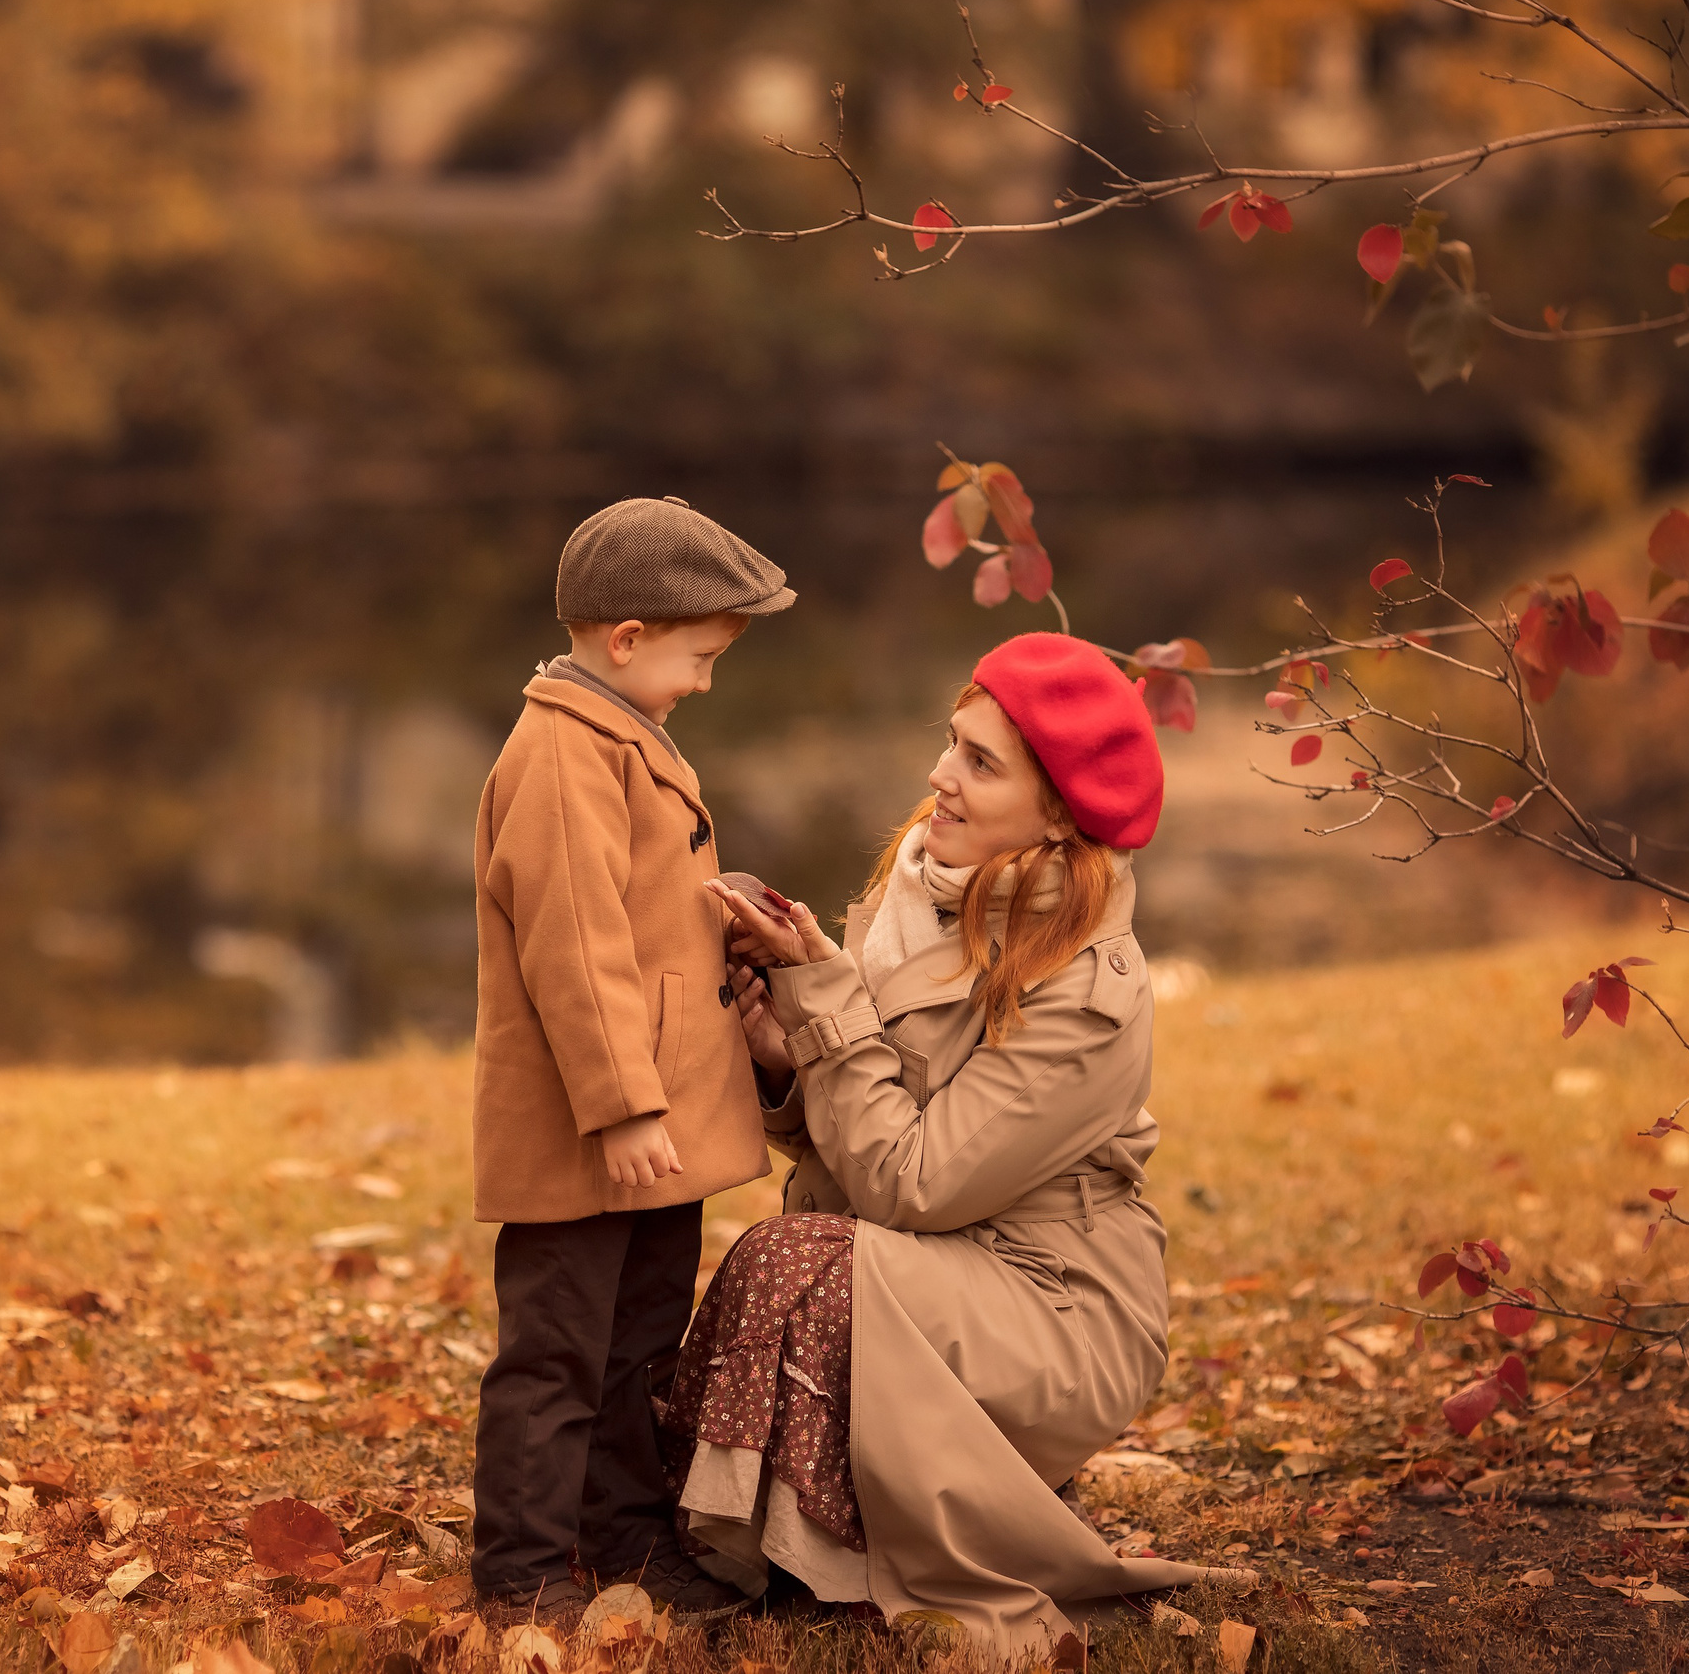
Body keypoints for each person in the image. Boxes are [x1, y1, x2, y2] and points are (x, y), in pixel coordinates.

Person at [676, 632, 1249, 1664]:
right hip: (938, 1254)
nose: (939, 775)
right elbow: (865, 1116)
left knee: (795, 1261)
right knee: (786, 1258)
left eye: (981, 762)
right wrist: (781, 1053)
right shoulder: (923, 892)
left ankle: (840, 1558)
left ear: (1058, 810)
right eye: (952, 743)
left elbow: (913, 1180)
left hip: (1051, 1300)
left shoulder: (1088, 991)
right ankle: (749, 1532)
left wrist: (821, 997)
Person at [467, 496, 794, 1625]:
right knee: (556, 1350)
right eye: (699, 655)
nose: (704, 680)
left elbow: (638, 906)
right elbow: (574, 942)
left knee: (635, 1344)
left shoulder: (622, 733)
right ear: (627, 639)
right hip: (595, 1126)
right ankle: (520, 1572)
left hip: (654, 1128)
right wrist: (620, 1108)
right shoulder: (560, 753)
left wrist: (717, 909)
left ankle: (623, 1535)